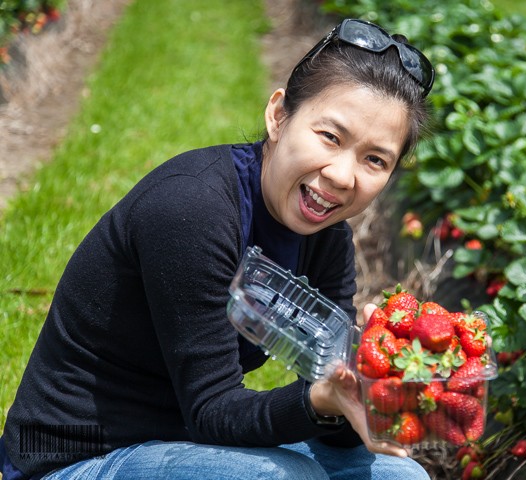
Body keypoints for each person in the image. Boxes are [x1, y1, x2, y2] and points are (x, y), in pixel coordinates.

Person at [0, 17, 435, 480]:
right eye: (330, 136)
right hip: (75, 453)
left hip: (184, 437)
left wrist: (366, 381)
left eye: (374, 159)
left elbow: (331, 422)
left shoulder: (327, 238)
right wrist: (314, 402)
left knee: (401, 477)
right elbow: (213, 408)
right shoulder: (192, 208)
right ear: (279, 116)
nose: (342, 175)